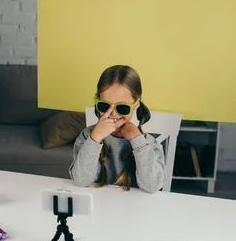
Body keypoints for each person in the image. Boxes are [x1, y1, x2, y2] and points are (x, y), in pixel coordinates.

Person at [69, 65, 166, 194]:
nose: (113, 113)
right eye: (105, 106)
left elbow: (152, 186)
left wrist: (137, 141)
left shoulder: (148, 143)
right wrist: (95, 139)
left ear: (136, 104)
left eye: (122, 107)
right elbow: (81, 181)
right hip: (98, 207)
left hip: (136, 209)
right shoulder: (88, 136)